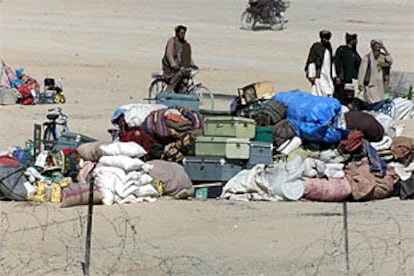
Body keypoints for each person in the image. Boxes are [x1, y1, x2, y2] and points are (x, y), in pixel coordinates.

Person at [162, 25, 198, 93]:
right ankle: (169, 90)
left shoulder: (184, 44)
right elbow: (169, 54)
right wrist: (173, 64)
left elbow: (187, 57)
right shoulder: (172, 41)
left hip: (180, 67)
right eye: (181, 33)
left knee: (185, 80)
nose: (183, 35)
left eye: (184, 33)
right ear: (177, 33)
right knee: (179, 74)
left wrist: (193, 65)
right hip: (170, 68)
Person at [304, 30, 336, 97]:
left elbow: (331, 62)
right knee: (318, 91)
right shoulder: (316, 47)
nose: (326, 40)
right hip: (319, 74)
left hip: (328, 74)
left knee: (329, 91)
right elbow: (311, 61)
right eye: (325, 38)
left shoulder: (329, 47)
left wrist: (333, 75)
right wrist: (311, 75)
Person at [333, 33, 361, 105]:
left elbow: (359, 63)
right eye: (355, 40)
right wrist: (338, 76)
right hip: (341, 79)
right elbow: (336, 63)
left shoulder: (354, 52)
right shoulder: (342, 50)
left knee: (349, 97)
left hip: (350, 80)